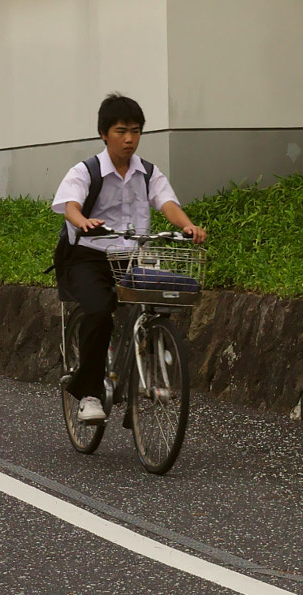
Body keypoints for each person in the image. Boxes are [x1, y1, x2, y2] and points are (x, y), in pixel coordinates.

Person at [51, 94, 207, 423]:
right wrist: (83, 222)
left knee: (160, 299)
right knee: (98, 312)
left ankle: (151, 368)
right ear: (104, 134)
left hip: (131, 257)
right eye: (121, 131)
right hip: (88, 257)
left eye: (135, 131)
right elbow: (70, 205)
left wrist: (188, 225)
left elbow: (167, 203)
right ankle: (90, 393)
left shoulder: (147, 172)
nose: (129, 139)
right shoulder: (86, 171)